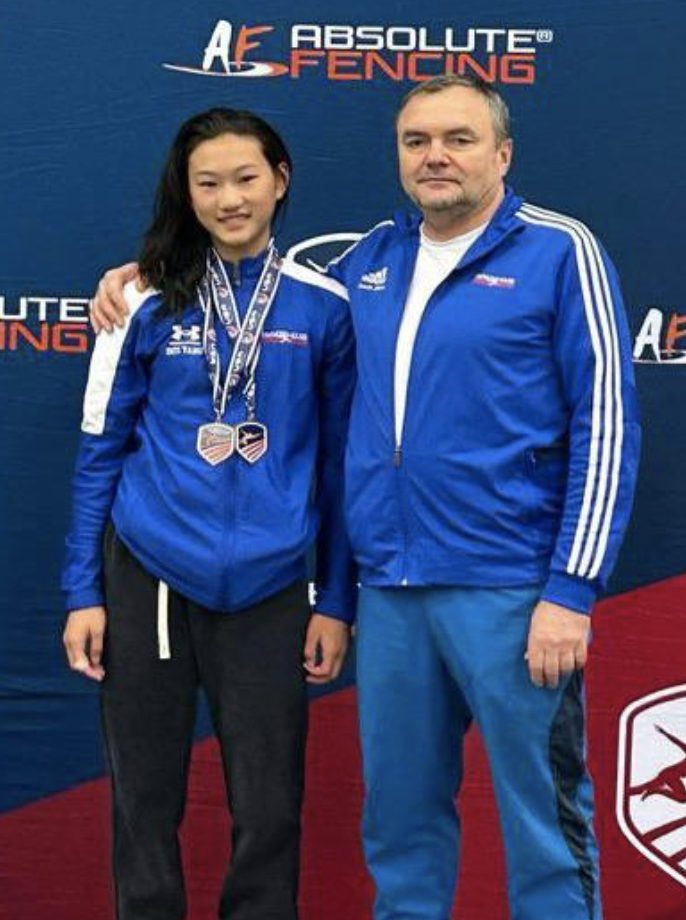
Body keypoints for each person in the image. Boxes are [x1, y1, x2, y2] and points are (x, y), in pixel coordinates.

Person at [91, 77, 640, 920]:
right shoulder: (368, 265)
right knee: (400, 822)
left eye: (458, 138)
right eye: (417, 140)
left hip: (512, 590)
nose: (436, 156)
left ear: (502, 153)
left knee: (541, 819)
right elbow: (250, 285)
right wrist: (143, 276)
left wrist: (571, 588)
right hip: (389, 593)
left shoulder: (559, 250)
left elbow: (606, 425)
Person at [62, 107, 355, 920]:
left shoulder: (325, 308)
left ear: (281, 180)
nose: (230, 198)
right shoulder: (139, 303)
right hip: (147, 575)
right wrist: (82, 592)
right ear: (185, 193)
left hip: (269, 586)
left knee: (268, 807)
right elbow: (99, 451)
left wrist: (335, 600)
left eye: (246, 178)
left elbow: (338, 471)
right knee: (144, 802)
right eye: (208, 183)